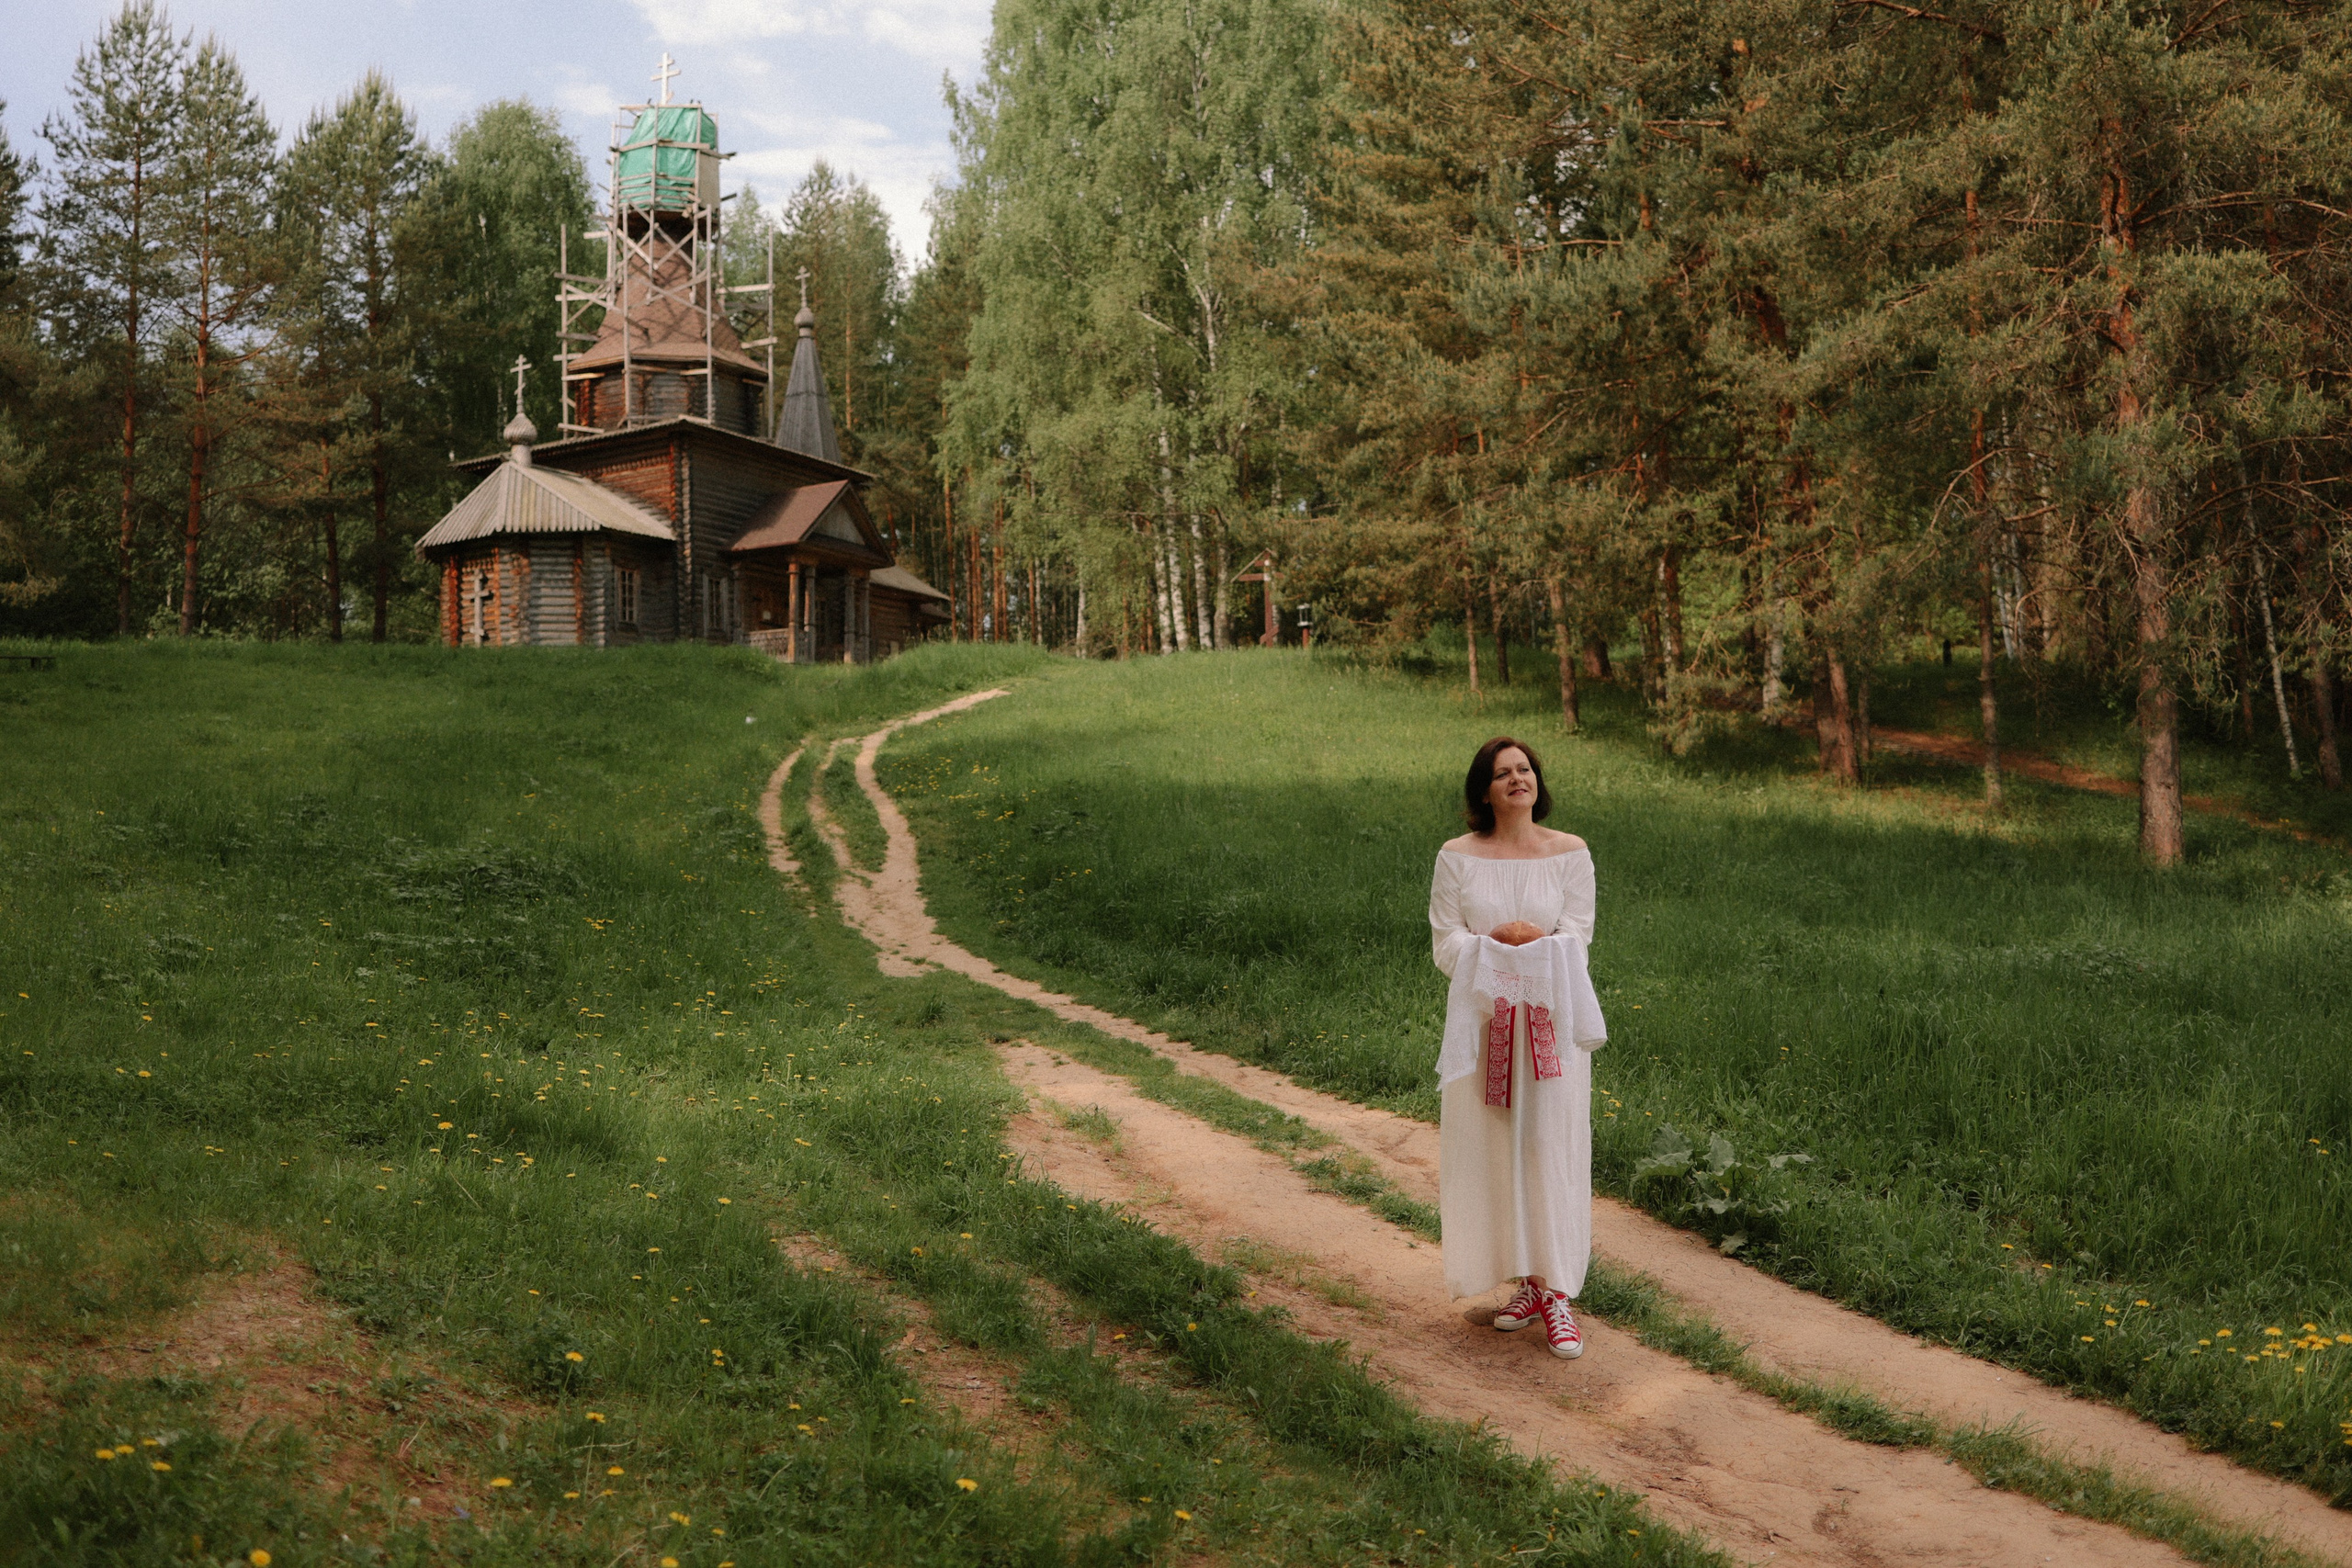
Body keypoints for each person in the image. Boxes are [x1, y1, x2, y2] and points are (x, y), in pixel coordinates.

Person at [1428, 736, 1605, 1359]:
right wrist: (1496, 945)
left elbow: (1577, 938)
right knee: (1498, 1146)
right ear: (1484, 789)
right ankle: (1527, 1284)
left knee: (1549, 1145)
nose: (1516, 779)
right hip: (1485, 1023)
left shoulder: (1570, 853)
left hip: (1550, 1026)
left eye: (1524, 768)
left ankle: (1558, 1293)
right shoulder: (1457, 856)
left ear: (1537, 781)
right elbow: (1446, 942)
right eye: (1502, 773)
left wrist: (1536, 941)